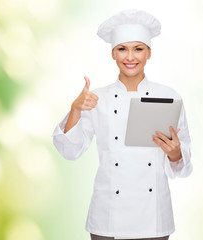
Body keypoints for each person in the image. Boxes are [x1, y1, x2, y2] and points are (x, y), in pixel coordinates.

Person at [52, 9, 193, 240]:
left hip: (153, 218)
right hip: (108, 216)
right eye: (122, 49)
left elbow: (184, 165)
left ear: (149, 53)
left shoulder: (170, 97)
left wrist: (176, 154)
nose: (130, 57)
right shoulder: (96, 98)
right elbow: (70, 150)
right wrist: (75, 109)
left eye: (138, 49)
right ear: (112, 54)